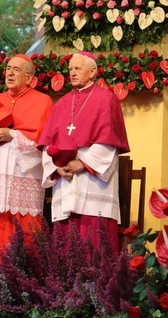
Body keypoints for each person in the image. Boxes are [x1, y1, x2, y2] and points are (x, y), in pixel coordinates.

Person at [37, 51, 130, 254]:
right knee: (66, 235)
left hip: (92, 178)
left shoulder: (107, 99)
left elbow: (110, 139)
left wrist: (84, 163)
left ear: (93, 71)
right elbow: (47, 143)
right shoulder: (61, 103)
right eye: (70, 69)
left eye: (77, 68)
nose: (72, 73)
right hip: (65, 176)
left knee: (94, 233)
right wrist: (55, 167)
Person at [0, 54, 53, 259]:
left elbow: (43, 141)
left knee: (22, 226)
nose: (9, 72)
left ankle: (22, 281)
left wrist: (13, 134)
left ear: (29, 77)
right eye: (8, 68)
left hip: (21, 173)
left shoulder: (43, 102)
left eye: (16, 70)